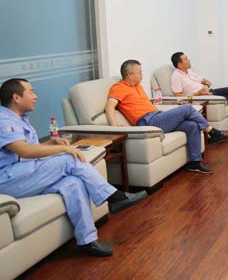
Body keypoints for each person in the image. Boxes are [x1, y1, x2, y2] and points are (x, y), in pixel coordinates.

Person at [0, 78, 147, 257]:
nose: (35, 96)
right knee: (70, 158)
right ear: (16, 97)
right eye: (31, 92)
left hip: (25, 174)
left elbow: (29, 149)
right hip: (8, 180)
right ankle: (114, 197)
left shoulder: (20, 119)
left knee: (73, 183)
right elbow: (24, 151)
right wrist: (63, 148)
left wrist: (51, 143)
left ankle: (87, 241)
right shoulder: (3, 120)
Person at [105, 60, 228, 174]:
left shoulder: (138, 86)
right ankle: (213, 132)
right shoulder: (119, 87)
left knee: (192, 125)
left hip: (158, 116)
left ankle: (195, 163)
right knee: (187, 108)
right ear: (129, 75)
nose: (142, 74)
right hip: (148, 122)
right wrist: (115, 127)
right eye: (139, 72)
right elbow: (109, 107)